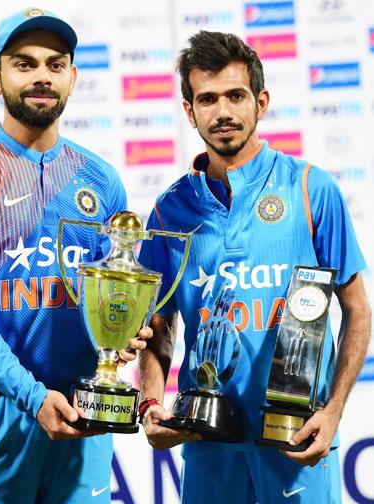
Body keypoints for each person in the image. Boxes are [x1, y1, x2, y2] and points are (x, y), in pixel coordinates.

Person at [0, 8, 152, 504]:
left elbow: (109, 288)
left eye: (54, 63)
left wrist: (125, 331)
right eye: (24, 64)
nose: (41, 76)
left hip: (81, 406)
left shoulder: (101, 179)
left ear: (72, 76)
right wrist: (31, 395)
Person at [138, 31, 371, 504]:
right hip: (206, 444)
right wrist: (149, 402)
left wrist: (333, 412)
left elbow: (358, 311)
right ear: (190, 110)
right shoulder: (168, 212)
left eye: (235, 96)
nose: (222, 112)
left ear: (260, 102)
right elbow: (159, 326)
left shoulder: (311, 189)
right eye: (207, 98)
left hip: (295, 438)